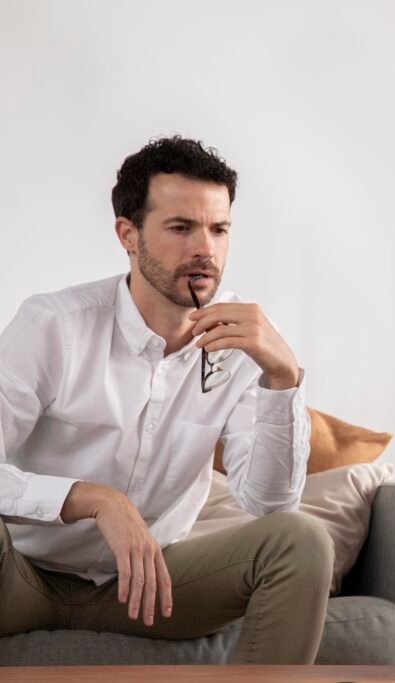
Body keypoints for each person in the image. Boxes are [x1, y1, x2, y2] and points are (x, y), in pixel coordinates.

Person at [0, 136, 331, 664]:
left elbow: (269, 506)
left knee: (301, 539)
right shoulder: (54, 325)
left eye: (218, 229)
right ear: (128, 235)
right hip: (19, 576)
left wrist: (282, 378)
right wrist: (94, 499)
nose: (206, 250)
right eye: (181, 228)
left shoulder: (243, 342)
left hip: (149, 589)